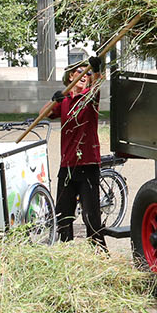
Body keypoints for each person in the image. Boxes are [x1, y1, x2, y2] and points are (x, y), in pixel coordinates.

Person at [48, 64, 105, 249]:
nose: (84, 76)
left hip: (88, 165)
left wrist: (96, 71)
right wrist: (54, 100)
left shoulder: (89, 97)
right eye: (81, 72)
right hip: (67, 166)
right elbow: (44, 114)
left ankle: (99, 255)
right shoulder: (64, 100)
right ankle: (66, 255)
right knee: (63, 215)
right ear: (71, 76)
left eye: (87, 73)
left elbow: (96, 86)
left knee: (91, 218)